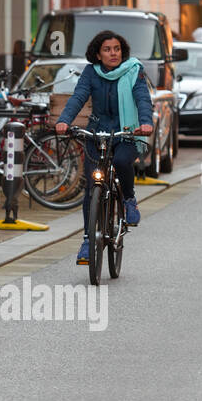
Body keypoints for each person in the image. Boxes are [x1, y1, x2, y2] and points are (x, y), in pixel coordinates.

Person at [54, 30, 154, 265]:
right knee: (91, 188)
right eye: (107, 50)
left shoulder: (134, 70)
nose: (113, 53)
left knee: (121, 162)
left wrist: (146, 122)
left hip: (126, 131)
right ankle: (88, 240)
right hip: (97, 132)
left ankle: (129, 200)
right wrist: (64, 120)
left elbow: (142, 98)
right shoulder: (91, 72)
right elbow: (78, 97)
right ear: (98, 54)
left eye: (117, 49)